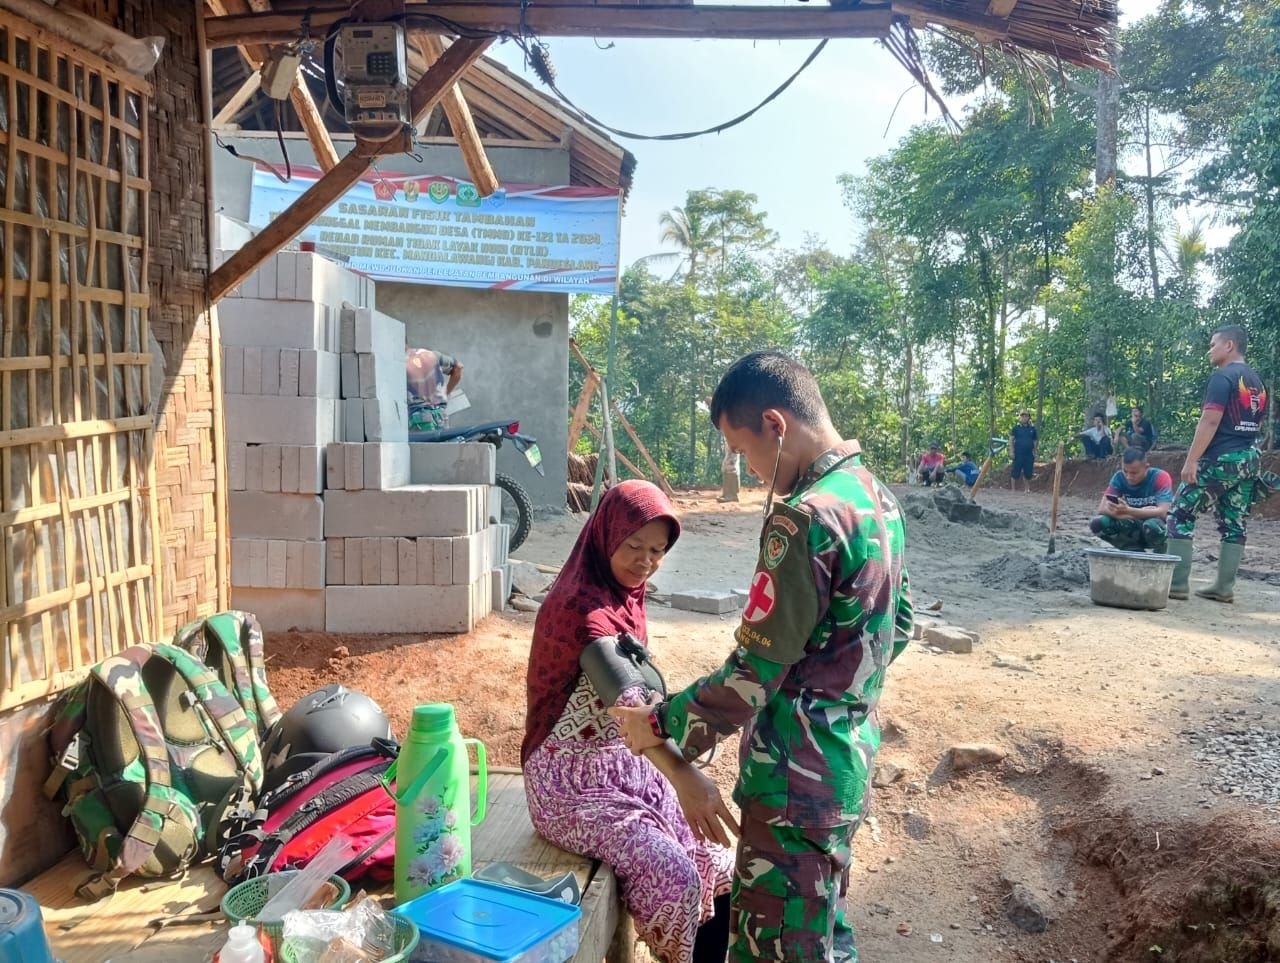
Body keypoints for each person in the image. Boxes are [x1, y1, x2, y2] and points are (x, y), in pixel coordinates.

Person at [611, 351, 913, 962]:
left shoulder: (805, 518)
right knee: (821, 930)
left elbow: (753, 677)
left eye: (743, 450)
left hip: (793, 781)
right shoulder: (876, 500)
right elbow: (898, 627)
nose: (749, 471)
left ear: (775, 425)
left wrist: (658, 727)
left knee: (773, 945)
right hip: (845, 760)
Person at [521, 480, 734, 963]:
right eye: (633, 546)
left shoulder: (625, 596)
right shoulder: (583, 609)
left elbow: (645, 713)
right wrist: (684, 775)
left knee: (718, 861)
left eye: (658, 550)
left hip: (627, 763)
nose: (645, 561)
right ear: (604, 535)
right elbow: (628, 703)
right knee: (674, 877)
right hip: (567, 782)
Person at [1166, 325, 1276, 603]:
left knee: (1180, 513)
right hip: (1249, 460)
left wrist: (1191, 460)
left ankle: (1177, 584)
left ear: (1229, 346)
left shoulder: (1222, 377)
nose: (1209, 350)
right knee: (1234, 522)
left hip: (1221, 459)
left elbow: (1210, 420)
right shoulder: (1257, 381)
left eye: (1213, 344)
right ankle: (1224, 588)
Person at [1089, 448, 1172, 553]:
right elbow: (1102, 509)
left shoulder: (1160, 477)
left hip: (1155, 528)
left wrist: (1127, 510)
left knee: (1152, 526)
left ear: (1146, 467)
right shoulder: (1119, 477)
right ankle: (1132, 550)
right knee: (1097, 523)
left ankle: (1160, 555)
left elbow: (1164, 512)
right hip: (1134, 524)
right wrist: (1137, 512)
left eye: (1134, 473)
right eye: (1125, 471)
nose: (1128, 477)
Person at [406, 347, 463, 432]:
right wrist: (446, 392)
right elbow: (458, 367)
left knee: (422, 445)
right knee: (442, 445)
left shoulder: (400, 362)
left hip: (418, 418)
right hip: (440, 414)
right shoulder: (432, 355)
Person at [1009, 410, 1038, 492]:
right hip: (1018, 452)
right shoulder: (1016, 428)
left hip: (1029, 453)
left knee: (1028, 471)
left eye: (1026, 416)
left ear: (1029, 418)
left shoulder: (1032, 429)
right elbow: (1011, 439)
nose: (1025, 418)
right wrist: (1011, 451)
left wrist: (1035, 452)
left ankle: (1027, 489)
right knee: (1016, 469)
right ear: (1020, 417)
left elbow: (1035, 441)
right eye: (1023, 416)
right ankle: (1013, 489)